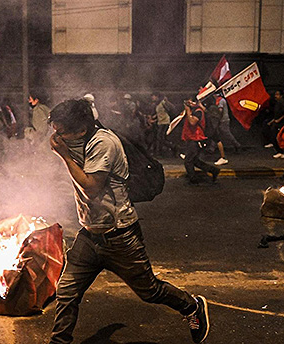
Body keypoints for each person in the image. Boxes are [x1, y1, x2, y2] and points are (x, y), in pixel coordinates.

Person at [47, 99, 209, 344]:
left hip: (119, 235)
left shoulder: (103, 143)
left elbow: (91, 187)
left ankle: (191, 306)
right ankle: (59, 341)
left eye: (61, 132)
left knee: (149, 291)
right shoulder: (79, 140)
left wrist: (64, 156)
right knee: (67, 291)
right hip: (90, 235)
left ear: (81, 129)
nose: (56, 137)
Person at [182, 99, 220, 185]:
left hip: (196, 139)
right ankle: (214, 170)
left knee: (188, 160)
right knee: (195, 161)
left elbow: (192, 122)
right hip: (192, 138)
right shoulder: (194, 111)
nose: (189, 104)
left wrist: (188, 111)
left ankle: (193, 180)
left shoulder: (198, 111)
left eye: (191, 102)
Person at [213, 94, 241, 164]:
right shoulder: (220, 100)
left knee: (227, 134)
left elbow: (220, 111)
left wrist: (216, 117)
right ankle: (211, 148)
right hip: (222, 120)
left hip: (223, 120)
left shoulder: (220, 101)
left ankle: (237, 145)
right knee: (217, 134)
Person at [266, 90, 284, 159]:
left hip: (281, 123)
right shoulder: (277, 103)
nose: (276, 96)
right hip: (276, 122)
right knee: (273, 136)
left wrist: (279, 120)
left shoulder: (282, 103)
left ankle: (281, 152)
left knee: (278, 138)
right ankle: (279, 151)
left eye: (277, 95)